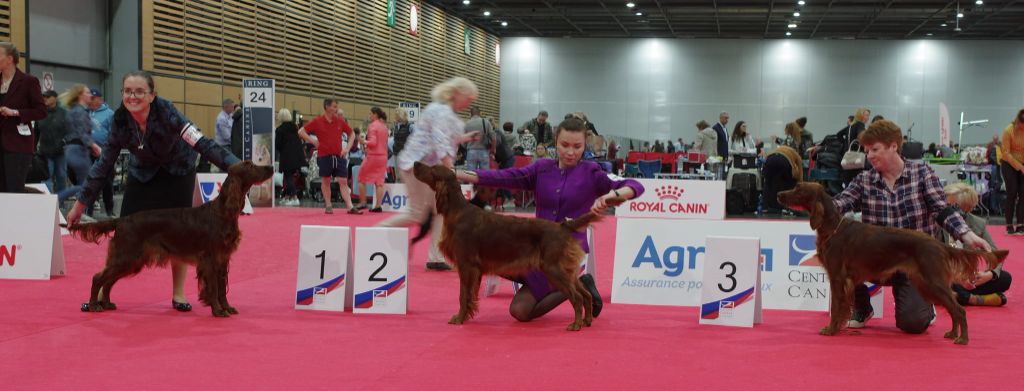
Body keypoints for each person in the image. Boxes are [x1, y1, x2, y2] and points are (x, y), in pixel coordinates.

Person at [67, 70, 241, 312]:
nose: (133, 96)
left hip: (177, 172)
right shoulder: (120, 121)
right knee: (128, 231)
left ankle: (179, 294)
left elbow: (202, 143)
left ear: (152, 95)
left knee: (182, 233)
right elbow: (103, 165)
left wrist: (236, 167)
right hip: (143, 174)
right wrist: (80, 205)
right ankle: (103, 291)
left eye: (139, 91)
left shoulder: (167, 112)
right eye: (128, 91)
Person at [454, 117, 644, 321]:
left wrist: (613, 196)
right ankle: (557, 283)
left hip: (563, 254)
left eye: (577, 146)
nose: (570, 152)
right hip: (534, 250)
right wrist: (458, 174)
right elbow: (505, 177)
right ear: (555, 142)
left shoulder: (592, 172)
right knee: (488, 258)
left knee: (519, 311)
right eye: (565, 145)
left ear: (584, 145)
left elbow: (635, 185)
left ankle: (576, 285)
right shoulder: (541, 168)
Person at [831, 120, 991, 333]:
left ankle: (926, 305)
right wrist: (816, 203)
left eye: (875, 149)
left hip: (915, 260)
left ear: (893, 146)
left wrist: (967, 235)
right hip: (876, 260)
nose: (869, 155)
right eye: (867, 150)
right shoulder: (864, 180)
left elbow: (942, 209)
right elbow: (840, 202)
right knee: (843, 257)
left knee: (912, 324)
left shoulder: (922, 173)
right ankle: (861, 307)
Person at [376, 77, 481, 271]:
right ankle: (376, 233)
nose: (470, 103)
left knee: (440, 210)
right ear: (457, 93)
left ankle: (436, 257)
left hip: (427, 167)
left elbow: (449, 138)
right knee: (416, 214)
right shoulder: (440, 111)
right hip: (416, 166)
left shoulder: (447, 113)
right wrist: (451, 169)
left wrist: (466, 138)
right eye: (469, 98)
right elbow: (440, 140)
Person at [941, 183, 1011, 306]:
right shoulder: (936, 221)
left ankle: (957, 297)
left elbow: (995, 254)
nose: (946, 209)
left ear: (968, 208)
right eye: (947, 205)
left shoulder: (978, 223)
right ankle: (974, 299)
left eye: (953, 206)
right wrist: (955, 275)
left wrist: (989, 274)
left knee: (1005, 278)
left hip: (966, 278)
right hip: (944, 275)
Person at [297, 99, 362, 215]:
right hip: (324, 155)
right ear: (327, 107)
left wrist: (347, 148)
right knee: (325, 180)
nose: (336, 109)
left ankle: (350, 206)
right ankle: (328, 205)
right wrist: (313, 141)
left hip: (338, 156)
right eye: (334, 106)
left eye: (336, 107)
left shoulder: (340, 121)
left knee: (343, 181)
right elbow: (301, 131)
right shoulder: (317, 121)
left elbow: (352, 134)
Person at [0, 42, 47, 193]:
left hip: (17, 145)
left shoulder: (28, 81)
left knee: (14, 190)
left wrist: (15, 112)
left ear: (9, 59)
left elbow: (41, 111)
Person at [56, 84, 101, 207]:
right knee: (86, 185)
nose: (90, 95)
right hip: (79, 150)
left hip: (72, 150)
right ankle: (57, 198)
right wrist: (94, 146)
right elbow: (82, 132)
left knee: (84, 184)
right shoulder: (80, 112)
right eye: (87, 92)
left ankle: (80, 210)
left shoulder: (72, 111)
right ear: (80, 95)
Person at [88, 87, 115, 216]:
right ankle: (89, 211)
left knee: (107, 182)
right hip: (87, 152)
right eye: (90, 98)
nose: (91, 101)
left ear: (100, 99)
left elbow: (114, 133)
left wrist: (108, 149)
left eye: (94, 98)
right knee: (89, 181)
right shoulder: (85, 112)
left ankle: (110, 210)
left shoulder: (109, 113)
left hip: (104, 153)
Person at [356, 107, 389, 212]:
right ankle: (378, 206)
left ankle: (362, 203)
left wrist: (363, 141)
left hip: (373, 156)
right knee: (379, 182)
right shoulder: (384, 126)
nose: (369, 116)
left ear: (375, 115)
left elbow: (373, 142)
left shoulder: (373, 126)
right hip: (383, 157)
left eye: (370, 114)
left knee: (361, 178)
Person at [35, 90, 68, 193]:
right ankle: (47, 203)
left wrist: (64, 142)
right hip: (44, 153)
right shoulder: (40, 113)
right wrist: (33, 149)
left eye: (47, 97)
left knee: (61, 177)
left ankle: (61, 201)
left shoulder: (64, 113)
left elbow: (71, 131)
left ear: (54, 98)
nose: (45, 99)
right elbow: (35, 133)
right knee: (46, 178)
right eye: (43, 97)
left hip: (60, 153)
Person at [999, 108, 1024, 235]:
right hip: (1008, 164)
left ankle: (1020, 225)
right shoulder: (1009, 130)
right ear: (1018, 121)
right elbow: (1006, 153)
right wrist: (1020, 166)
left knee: (1023, 194)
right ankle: (1009, 225)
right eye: (1022, 125)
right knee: (1012, 192)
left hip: (1022, 164)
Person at [274, 108, 305, 206]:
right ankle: (287, 197)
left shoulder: (279, 130)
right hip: (297, 155)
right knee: (290, 176)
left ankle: (295, 197)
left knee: (288, 177)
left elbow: (278, 145)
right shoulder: (295, 128)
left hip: (286, 156)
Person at [761, 146, 802, 213]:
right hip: (783, 161)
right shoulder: (796, 155)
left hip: (770, 159)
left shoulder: (780, 148)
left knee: (768, 182)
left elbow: (767, 157)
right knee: (789, 183)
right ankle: (787, 207)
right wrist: (800, 183)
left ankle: (764, 207)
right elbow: (800, 169)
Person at [463, 106, 494, 171]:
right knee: (485, 174)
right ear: (480, 113)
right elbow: (493, 137)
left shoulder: (466, 124)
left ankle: (471, 181)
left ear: (470, 114)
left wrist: (467, 147)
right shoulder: (486, 122)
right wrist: (493, 149)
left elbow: (463, 141)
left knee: (471, 174)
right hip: (484, 151)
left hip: (471, 151)